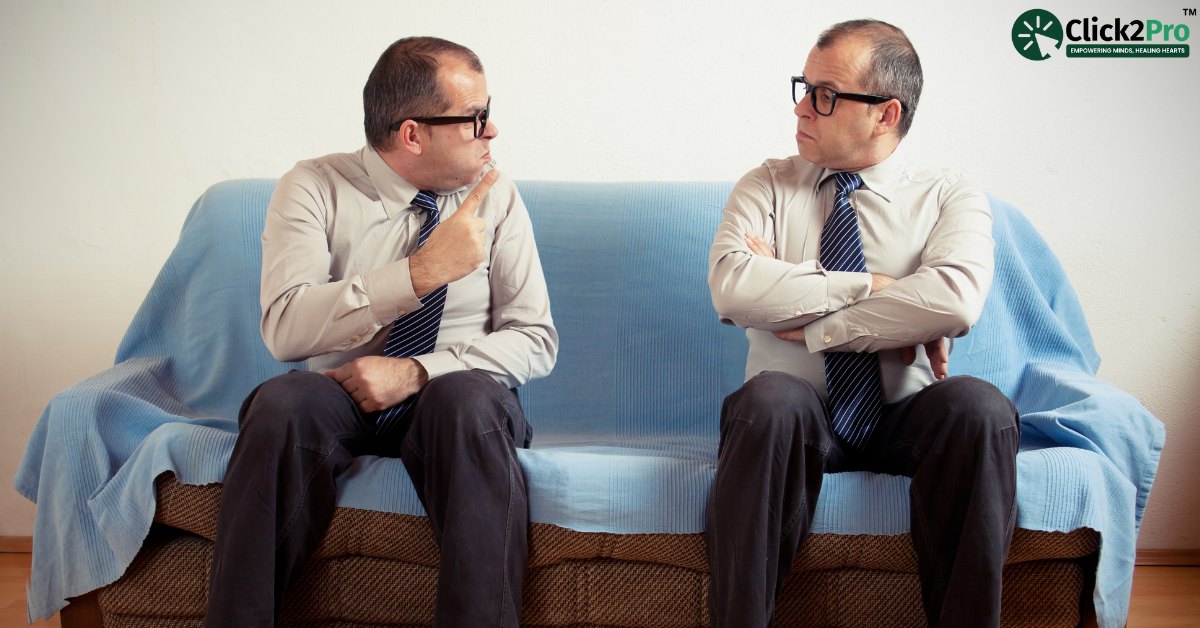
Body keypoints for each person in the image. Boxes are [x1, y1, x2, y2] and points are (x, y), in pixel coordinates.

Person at [204, 36, 557, 627]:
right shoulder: (314, 186)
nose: (492, 132)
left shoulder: (497, 197)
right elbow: (286, 330)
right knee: (285, 401)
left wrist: (416, 370)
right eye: (476, 119)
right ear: (412, 133)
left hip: (454, 401)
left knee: (466, 397)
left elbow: (535, 337)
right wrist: (419, 274)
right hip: (343, 394)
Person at [705, 19, 1018, 628]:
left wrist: (815, 319)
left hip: (906, 416)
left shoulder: (950, 195)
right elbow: (734, 289)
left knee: (981, 409)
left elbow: (954, 300)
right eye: (803, 86)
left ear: (884, 114)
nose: (801, 107)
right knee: (768, 401)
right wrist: (880, 292)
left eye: (825, 94)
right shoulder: (766, 184)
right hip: (794, 417)